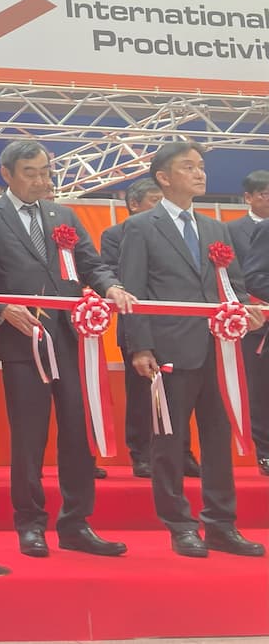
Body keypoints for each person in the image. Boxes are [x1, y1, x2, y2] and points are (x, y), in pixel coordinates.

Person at [0, 140, 134, 559]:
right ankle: (30, 524)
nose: (40, 180)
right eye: (30, 173)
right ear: (7, 174)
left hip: (71, 340)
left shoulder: (63, 215)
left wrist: (111, 287)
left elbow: (91, 264)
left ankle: (76, 524)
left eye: (45, 171)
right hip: (24, 343)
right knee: (29, 438)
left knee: (77, 435)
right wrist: (3, 309)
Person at [120, 141, 265, 557]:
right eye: (188, 167)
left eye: (200, 166)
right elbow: (133, 290)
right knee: (168, 442)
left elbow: (233, 285)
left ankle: (221, 523)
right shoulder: (141, 227)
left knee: (218, 440)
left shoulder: (216, 228)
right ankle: (180, 525)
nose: (199, 173)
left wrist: (246, 310)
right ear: (163, 178)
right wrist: (140, 347)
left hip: (218, 350)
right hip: (168, 350)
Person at [100, 179, 199, 479]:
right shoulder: (115, 235)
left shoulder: (183, 231)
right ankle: (142, 453)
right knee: (142, 393)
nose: (161, 204)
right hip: (139, 325)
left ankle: (182, 451)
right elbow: (118, 278)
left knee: (181, 395)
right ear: (134, 204)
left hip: (179, 327)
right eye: (154, 199)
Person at [227, 169, 269, 476]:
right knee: (261, 390)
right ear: (249, 197)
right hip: (255, 322)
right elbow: (249, 276)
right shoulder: (233, 230)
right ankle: (265, 451)